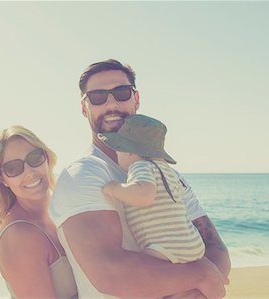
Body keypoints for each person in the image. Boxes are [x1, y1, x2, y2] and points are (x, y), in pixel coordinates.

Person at [49, 59, 231, 298]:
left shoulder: (167, 173)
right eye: (98, 97)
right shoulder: (83, 174)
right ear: (84, 108)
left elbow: (214, 246)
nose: (112, 103)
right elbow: (110, 273)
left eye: (121, 93)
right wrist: (202, 276)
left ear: (136, 99)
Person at [0, 125, 77, 299]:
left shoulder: (62, 212)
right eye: (13, 168)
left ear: (46, 158)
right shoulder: (19, 236)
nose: (29, 172)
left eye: (34, 158)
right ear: (2, 179)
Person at [99, 114, 205, 264]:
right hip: (192, 241)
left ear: (129, 152)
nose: (116, 154)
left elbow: (144, 195)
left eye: (118, 150)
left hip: (166, 247)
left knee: (141, 268)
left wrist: (114, 188)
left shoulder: (140, 166)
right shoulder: (167, 171)